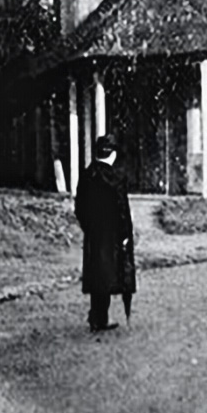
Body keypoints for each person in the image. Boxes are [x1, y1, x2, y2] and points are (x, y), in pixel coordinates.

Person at [74, 133, 136, 333]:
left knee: (96, 273)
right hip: (113, 234)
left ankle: (96, 316)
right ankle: (101, 318)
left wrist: (88, 226)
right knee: (109, 274)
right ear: (113, 154)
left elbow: (79, 207)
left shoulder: (87, 174)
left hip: (94, 234)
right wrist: (126, 233)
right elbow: (122, 210)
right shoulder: (116, 177)